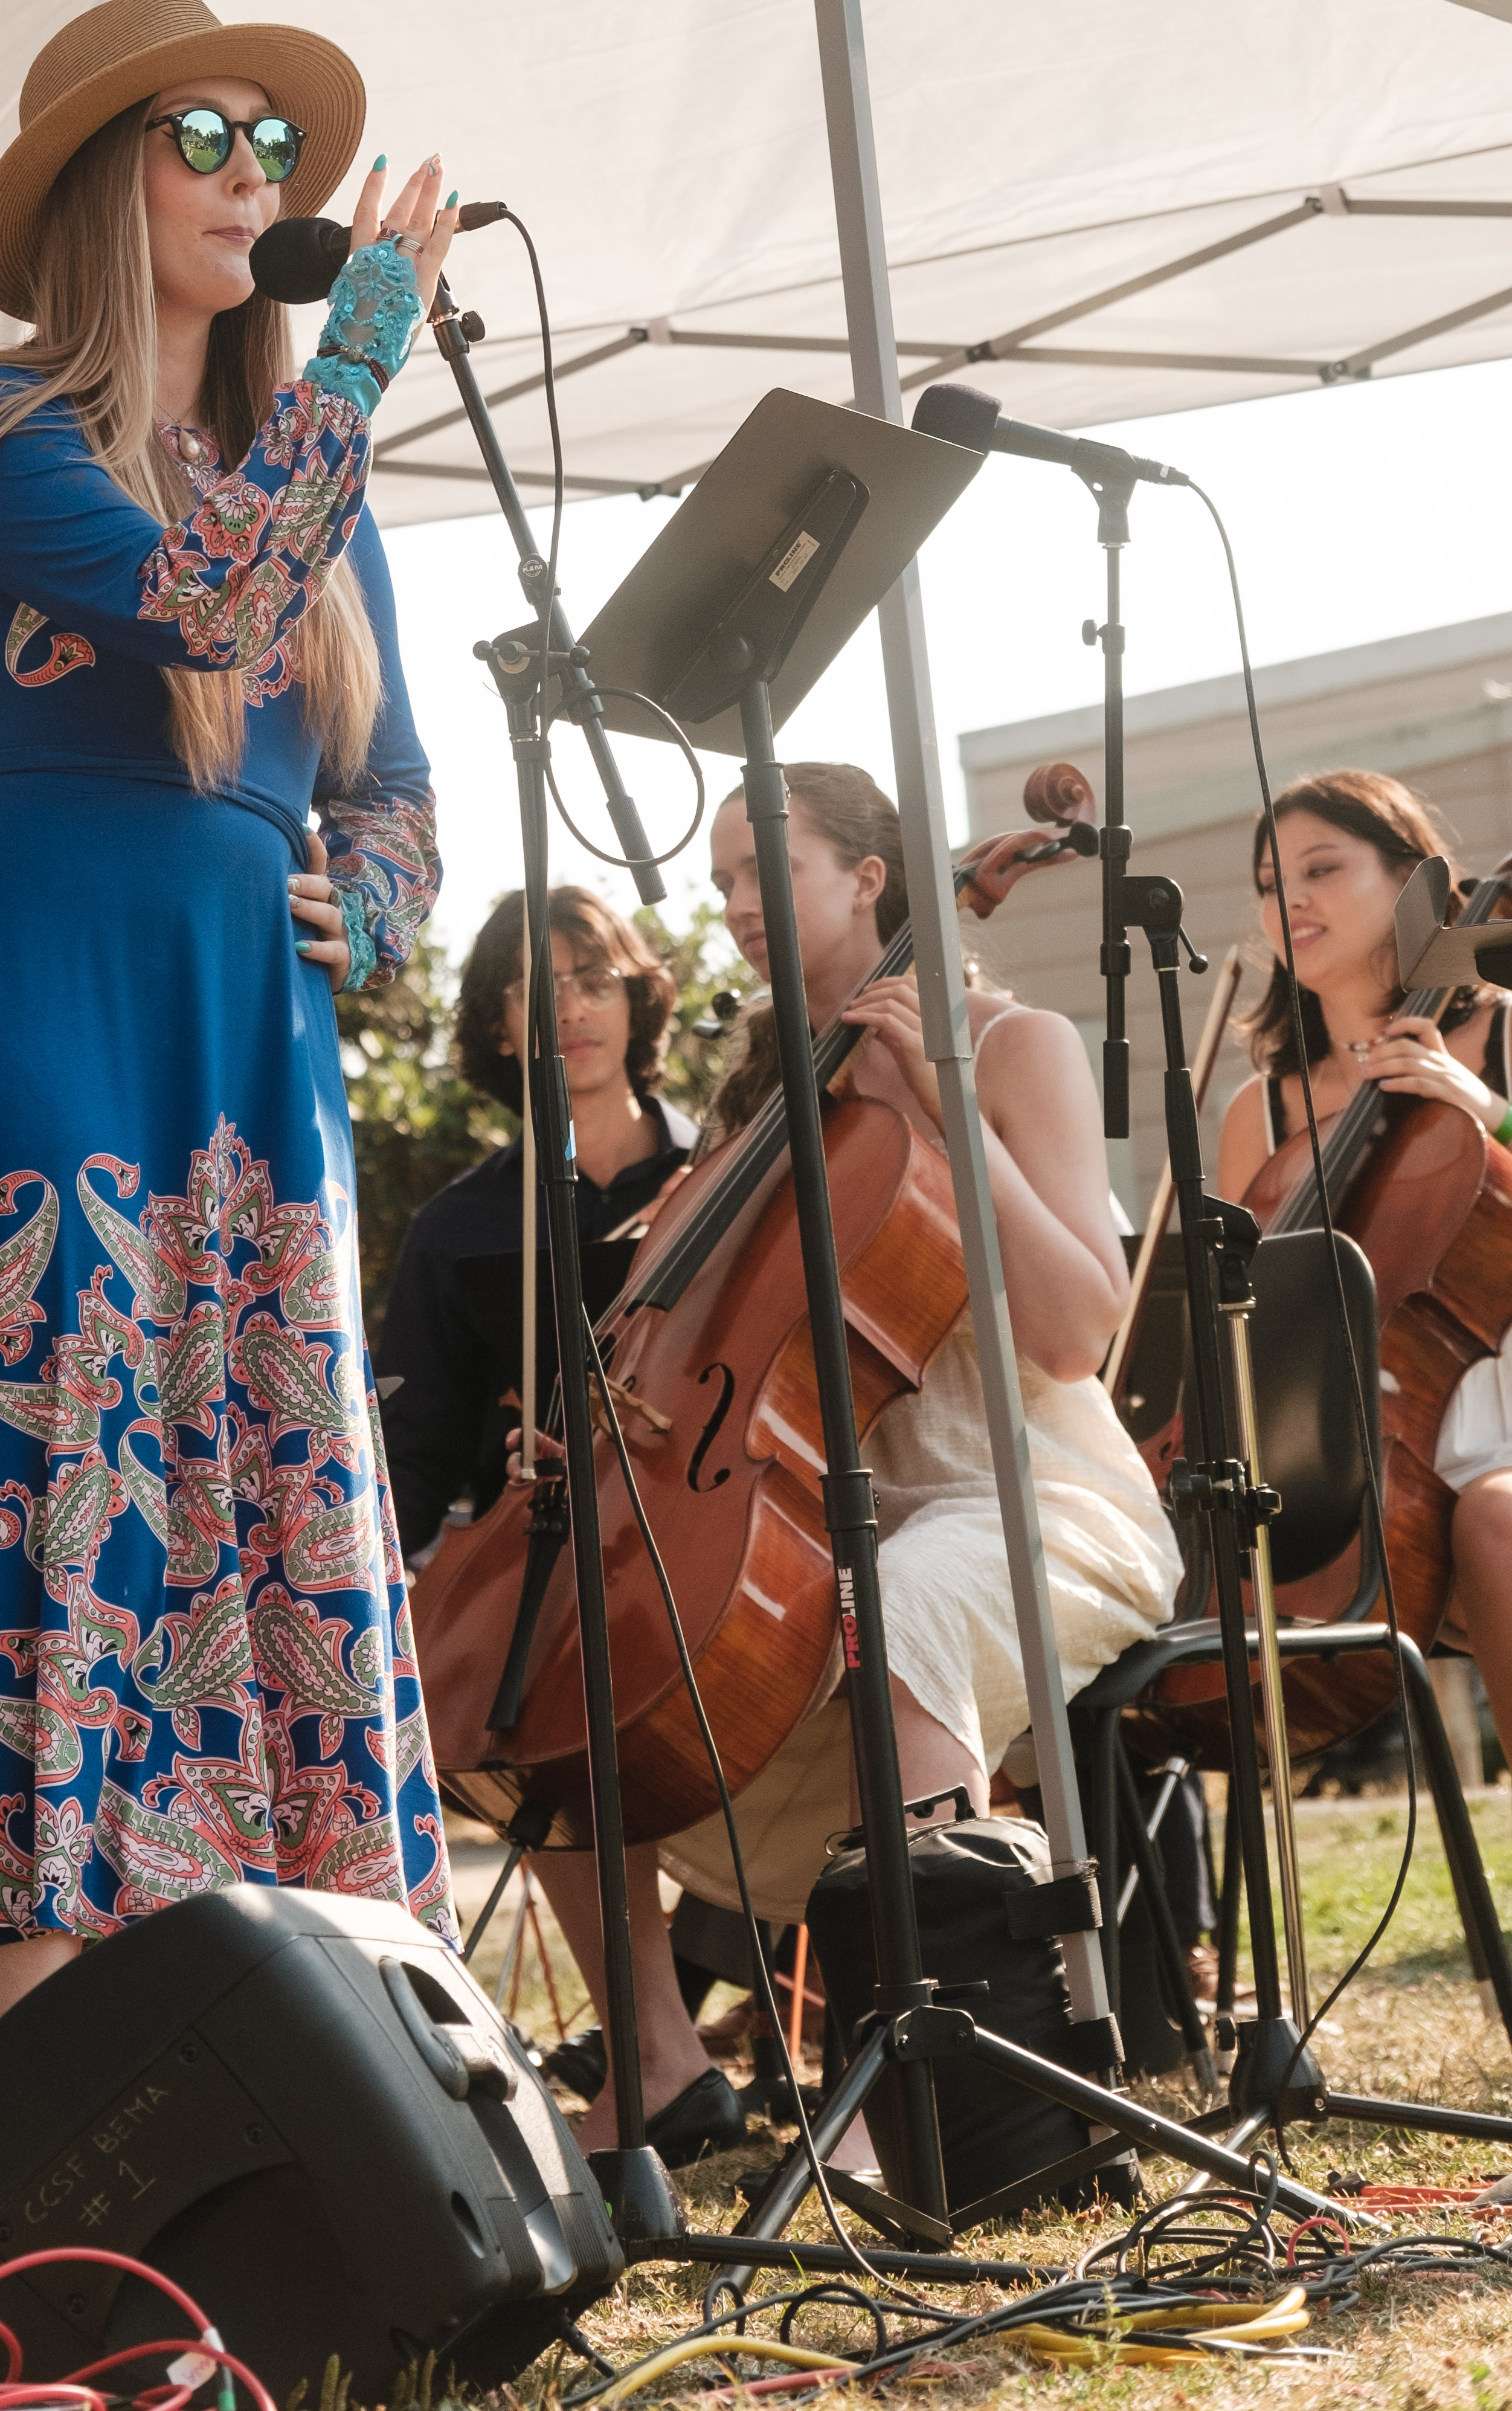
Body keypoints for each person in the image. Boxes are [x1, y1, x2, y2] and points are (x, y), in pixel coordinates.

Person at [0, 0, 458, 2036]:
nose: (249, 173)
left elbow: (393, 786)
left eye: (267, 143)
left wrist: (362, 905)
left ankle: (332, 2091)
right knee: (60, 1522)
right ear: (94, 191)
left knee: (283, 1504)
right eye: (197, 136)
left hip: (255, 1046)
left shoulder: (316, 477)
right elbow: (210, 599)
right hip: (48, 1010)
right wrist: (366, 352)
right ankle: (65, 2169)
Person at [509, 764, 1178, 2160]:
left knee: (899, 1603)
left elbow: (1071, 1331)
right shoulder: (760, 1096)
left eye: (765, 872)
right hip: (829, 1517)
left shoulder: (1011, 1044)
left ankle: (920, 2072)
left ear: (870, 876)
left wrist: (933, 1100)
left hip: (1040, 1502)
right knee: (564, 1665)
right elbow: (697, 1338)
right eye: (721, 890)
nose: (737, 909)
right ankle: (653, 2061)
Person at [1213, 769, 1512, 1747]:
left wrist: (1481, 1113)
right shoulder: (1254, 1114)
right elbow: (1236, 1326)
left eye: (1320, 867)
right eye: (1267, 881)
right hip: (1362, 1446)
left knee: (1494, 1522)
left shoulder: (1501, 1031)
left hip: (1497, 1402)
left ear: (1412, 879)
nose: (1286, 898)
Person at [376, 885, 698, 1556]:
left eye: (596, 981)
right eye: (539, 991)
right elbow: (416, 1458)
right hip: (530, 1560)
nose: (572, 1009)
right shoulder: (452, 1228)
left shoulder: (715, 1175)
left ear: (635, 1002)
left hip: (702, 1520)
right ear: (499, 1024)